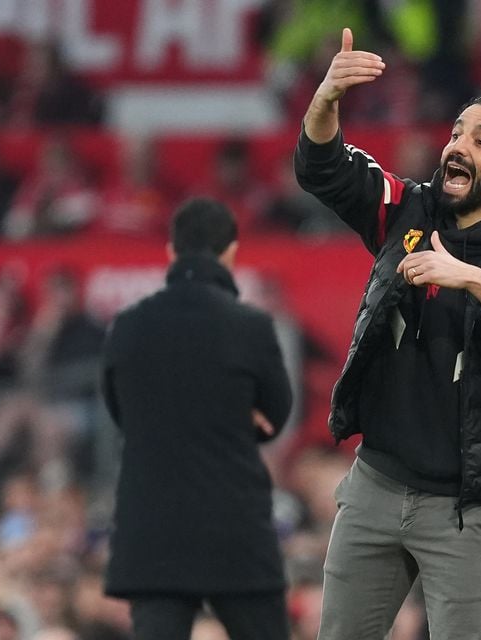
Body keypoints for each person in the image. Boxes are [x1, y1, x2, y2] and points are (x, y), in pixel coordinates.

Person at [294, 27, 481, 639]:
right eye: (456, 133)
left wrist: (472, 279)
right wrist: (325, 101)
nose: (457, 146)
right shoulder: (413, 209)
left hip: (464, 510)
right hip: (375, 484)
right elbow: (327, 171)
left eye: (479, 141)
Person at [100, 197, 293, 640]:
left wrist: (167, 418)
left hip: (151, 534)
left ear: (171, 252)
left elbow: (120, 413)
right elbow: (276, 415)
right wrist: (228, 415)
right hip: (234, 531)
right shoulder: (250, 327)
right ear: (230, 252)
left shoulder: (126, 326)